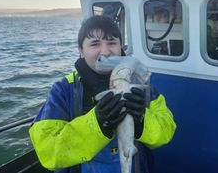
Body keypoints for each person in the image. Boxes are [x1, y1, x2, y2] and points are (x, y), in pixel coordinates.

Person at [29, 15, 177, 173]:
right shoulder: (63, 90)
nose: (105, 52)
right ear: (81, 50)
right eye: (95, 44)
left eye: (112, 43)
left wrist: (142, 121)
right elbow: (47, 150)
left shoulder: (142, 86)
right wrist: (98, 123)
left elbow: (167, 130)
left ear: (121, 47)